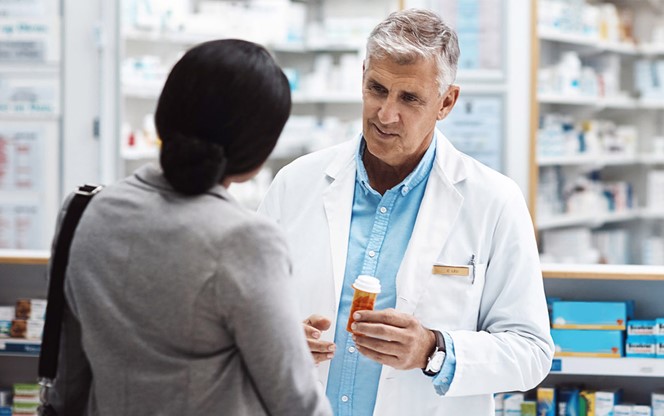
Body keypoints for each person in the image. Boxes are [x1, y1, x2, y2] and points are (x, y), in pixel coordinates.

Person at [258, 9, 554, 416]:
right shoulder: (295, 184)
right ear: (362, 76)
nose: (385, 114)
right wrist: (278, 340)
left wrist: (433, 350)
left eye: (409, 98)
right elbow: (247, 316)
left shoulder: (494, 201)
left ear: (446, 102)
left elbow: (531, 351)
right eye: (377, 89)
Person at [48, 39, 332, 416]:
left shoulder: (82, 210)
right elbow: (296, 403)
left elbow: (67, 381)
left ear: (165, 111)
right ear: (258, 152)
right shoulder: (244, 239)